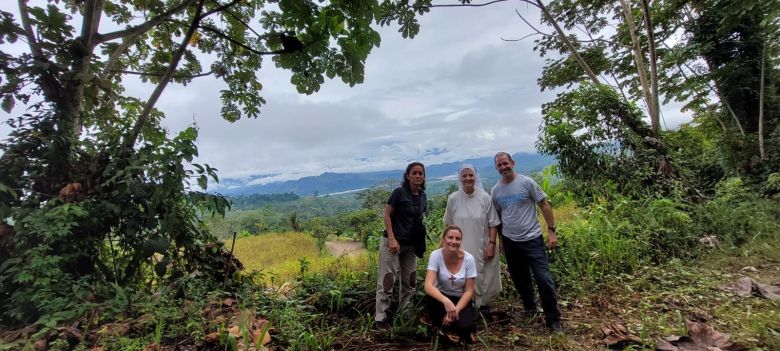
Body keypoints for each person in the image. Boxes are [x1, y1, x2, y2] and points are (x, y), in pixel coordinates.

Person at [490, 152, 563, 333]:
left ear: (512, 163)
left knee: (544, 280)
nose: (503, 167)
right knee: (520, 279)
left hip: (533, 240)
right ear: (496, 168)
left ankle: (553, 321)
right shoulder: (495, 191)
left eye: (505, 163)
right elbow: (498, 218)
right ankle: (530, 308)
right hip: (510, 241)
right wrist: (501, 242)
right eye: (499, 165)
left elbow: (544, 204)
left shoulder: (527, 182)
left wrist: (551, 231)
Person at [375, 162, 428, 328]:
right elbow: (387, 215)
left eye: (421, 173)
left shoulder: (423, 196)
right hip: (393, 242)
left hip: (410, 245)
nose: (418, 176)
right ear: (408, 176)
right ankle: (381, 317)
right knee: (388, 280)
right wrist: (391, 239)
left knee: (410, 281)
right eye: (415, 173)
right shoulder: (399, 193)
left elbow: (417, 220)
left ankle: (405, 313)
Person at [443, 164, 501, 309]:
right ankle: (467, 306)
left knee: (485, 276)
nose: (468, 178)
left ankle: (483, 306)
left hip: (483, 245)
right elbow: (448, 225)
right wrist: (447, 247)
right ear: (460, 178)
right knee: (463, 275)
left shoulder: (485, 198)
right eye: (464, 176)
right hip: (461, 246)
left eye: (471, 175)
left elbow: (493, 223)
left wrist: (492, 244)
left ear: (475, 177)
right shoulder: (453, 199)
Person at [424, 225, 477, 344]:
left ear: (461, 241)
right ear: (444, 239)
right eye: (450, 237)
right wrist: (446, 301)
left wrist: (455, 311)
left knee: (464, 327)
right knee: (440, 323)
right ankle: (445, 330)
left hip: (461, 300)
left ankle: (463, 329)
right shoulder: (436, 255)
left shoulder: (469, 259)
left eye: (457, 239)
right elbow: (428, 285)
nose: (454, 241)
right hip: (440, 298)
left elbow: (469, 291)